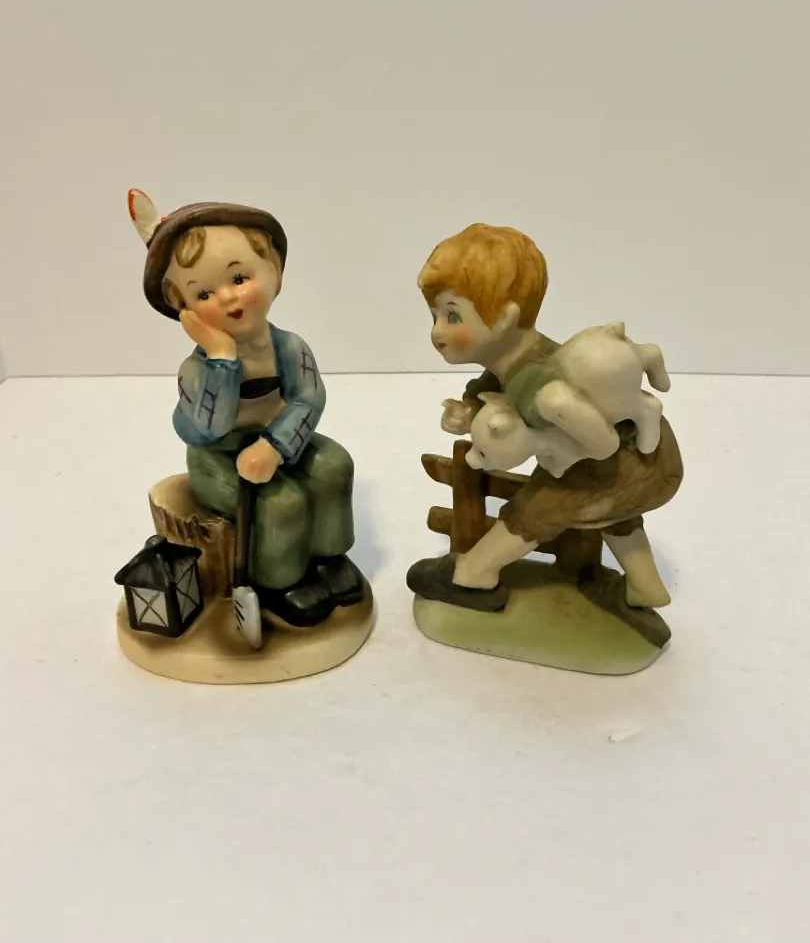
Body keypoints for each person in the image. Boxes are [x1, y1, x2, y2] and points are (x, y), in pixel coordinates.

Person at [408, 223, 683, 611]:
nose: (437, 332)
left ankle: (473, 574)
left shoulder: (539, 388)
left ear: (504, 319)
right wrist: (469, 413)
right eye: (435, 316)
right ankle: (646, 585)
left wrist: (563, 460)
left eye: (453, 317)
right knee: (604, 508)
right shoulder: (512, 366)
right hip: (641, 457)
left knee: (538, 507)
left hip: (637, 459)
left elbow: (603, 446)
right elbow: (497, 397)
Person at [128, 190, 365, 638]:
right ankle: (280, 582)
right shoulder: (196, 370)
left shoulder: (289, 347)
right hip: (218, 458)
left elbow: (308, 399)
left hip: (278, 440)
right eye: (203, 293)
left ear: (274, 273)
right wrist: (222, 357)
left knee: (334, 465)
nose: (227, 298)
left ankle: (328, 559)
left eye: (239, 278)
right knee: (280, 502)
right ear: (184, 310)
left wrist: (275, 446)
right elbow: (207, 428)